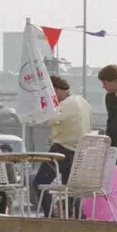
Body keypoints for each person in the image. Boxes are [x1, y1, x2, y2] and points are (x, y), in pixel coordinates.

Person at [34, 75, 92, 203]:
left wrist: (45, 106)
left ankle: (51, 217)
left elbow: (50, 119)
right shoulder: (82, 101)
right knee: (70, 190)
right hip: (79, 152)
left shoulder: (67, 104)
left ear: (56, 90)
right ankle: (75, 217)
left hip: (63, 150)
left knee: (39, 182)